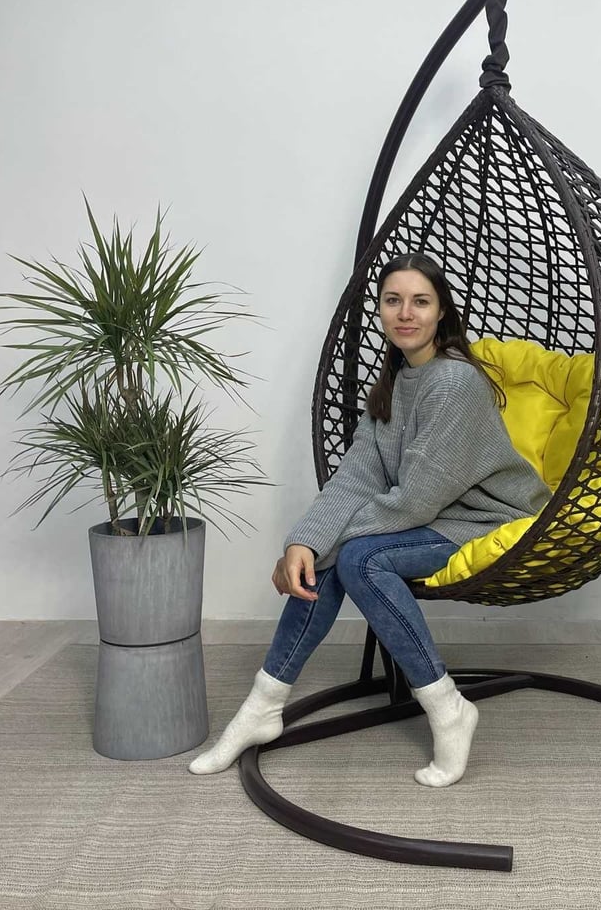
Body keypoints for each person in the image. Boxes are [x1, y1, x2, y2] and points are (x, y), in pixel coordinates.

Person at [188, 252, 552, 785]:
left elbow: (415, 501)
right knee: (334, 556)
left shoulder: (454, 383)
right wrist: (304, 543)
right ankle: (263, 705)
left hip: (489, 519)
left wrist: (326, 545)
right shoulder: (397, 381)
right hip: (438, 516)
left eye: (420, 301)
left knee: (357, 558)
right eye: (393, 300)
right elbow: (357, 476)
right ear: (380, 309)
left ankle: (448, 708)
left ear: (442, 312)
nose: (405, 313)